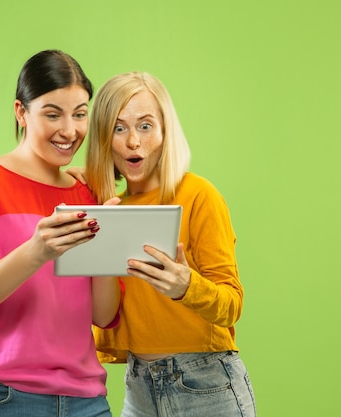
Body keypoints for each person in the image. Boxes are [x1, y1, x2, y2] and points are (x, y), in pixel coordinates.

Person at [0, 49, 122, 417]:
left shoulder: (88, 193)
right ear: (21, 112)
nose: (70, 131)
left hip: (85, 401)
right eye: (52, 114)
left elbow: (104, 314)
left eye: (80, 114)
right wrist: (36, 251)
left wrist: (109, 244)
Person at [84, 72, 257, 416]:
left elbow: (232, 304)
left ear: (165, 132)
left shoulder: (198, 196)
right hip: (138, 386)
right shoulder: (106, 209)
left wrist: (187, 286)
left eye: (146, 126)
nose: (133, 141)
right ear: (104, 138)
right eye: (119, 128)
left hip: (204, 382)